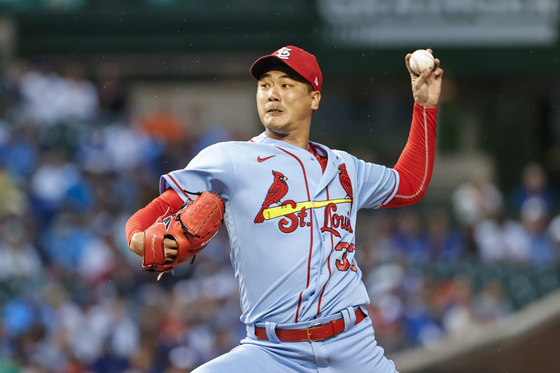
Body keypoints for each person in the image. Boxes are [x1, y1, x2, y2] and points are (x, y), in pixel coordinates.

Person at [125, 45, 443, 372]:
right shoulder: (230, 159)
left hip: (353, 347)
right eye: (265, 85)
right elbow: (161, 206)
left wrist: (425, 107)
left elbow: (410, 184)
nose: (272, 94)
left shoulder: (345, 167)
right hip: (271, 353)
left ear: (314, 98)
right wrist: (136, 236)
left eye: (286, 85)